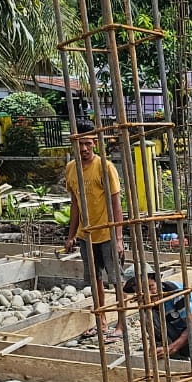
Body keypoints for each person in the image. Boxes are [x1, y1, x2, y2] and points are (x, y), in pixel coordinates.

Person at [63, 130, 125, 339]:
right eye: (80, 144)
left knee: (116, 281)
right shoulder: (71, 169)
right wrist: (71, 235)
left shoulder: (105, 167)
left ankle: (121, 325)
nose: (83, 148)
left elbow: (116, 204)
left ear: (95, 143)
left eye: (88, 144)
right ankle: (102, 322)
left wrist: (118, 238)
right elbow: (75, 204)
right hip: (86, 235)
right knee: (95, 280)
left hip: (107, 233)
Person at [123, 271, 192, 362]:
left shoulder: (175, 292)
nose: (149, 295)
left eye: (151, 287)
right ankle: (176, 359)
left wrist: (172, 348)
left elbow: (191, 324)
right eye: (142, 291)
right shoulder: (146, 304)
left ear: (158, 282)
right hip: (182, 344)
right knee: (148, 316)